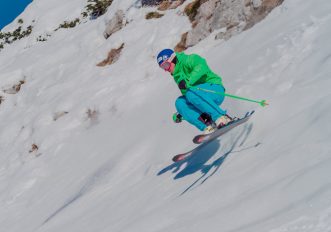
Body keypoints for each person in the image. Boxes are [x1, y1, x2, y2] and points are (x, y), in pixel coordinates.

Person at [157, 48, 232, 134]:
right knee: (180, 103)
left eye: (166, 65)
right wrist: (182, 113)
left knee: (191, 92)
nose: (166, 69)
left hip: (215, 90)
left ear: (172, 59)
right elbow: (190, 99)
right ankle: (208, 125)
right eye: (163, 67)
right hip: (200, 98)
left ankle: (221, 117)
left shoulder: (188, 60)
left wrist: (188, 81)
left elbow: (201, 65)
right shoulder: (177, 76)